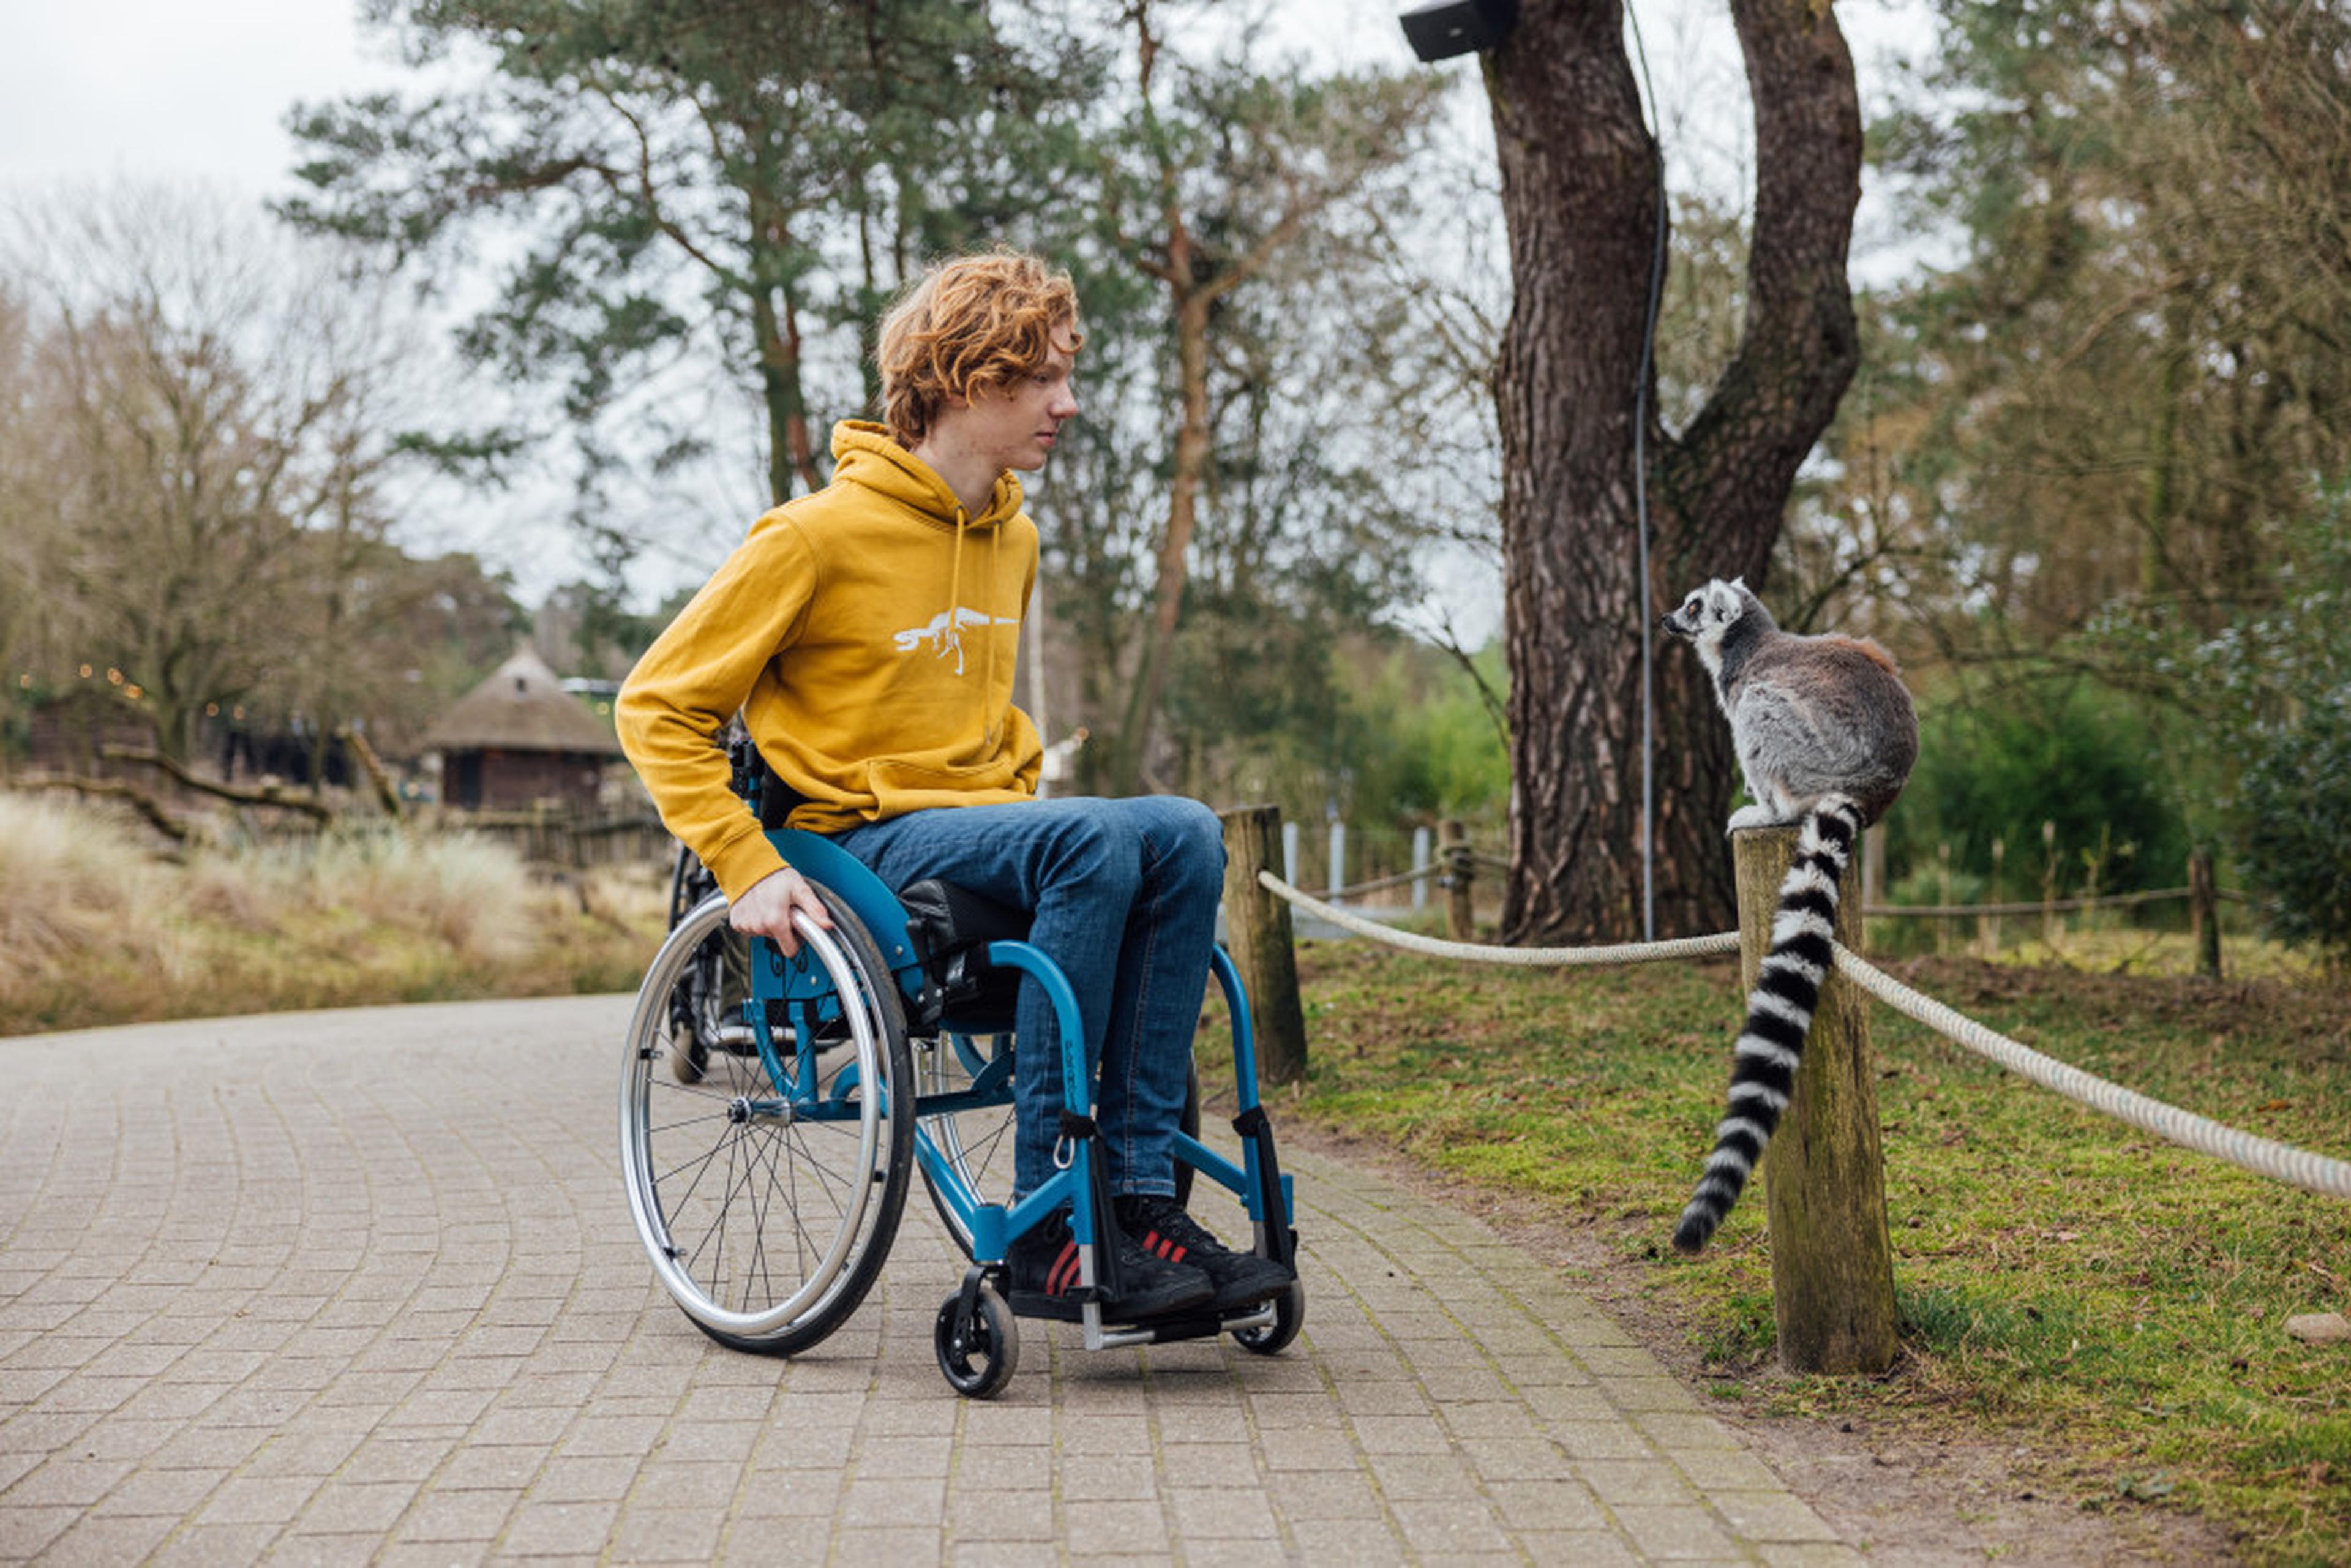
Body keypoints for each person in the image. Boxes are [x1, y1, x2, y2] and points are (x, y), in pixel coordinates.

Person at [616, 249, 1291, 1322]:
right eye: (1044, 382)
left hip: (984, 827)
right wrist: (744, 864)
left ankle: (1140, 1196)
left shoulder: (1013, 535)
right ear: (970, 382)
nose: (1069, 404)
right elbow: (655, 705)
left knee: (1185, 830)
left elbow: (976, 715)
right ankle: (1048, 1226)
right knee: (1096, 842)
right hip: (862, 841)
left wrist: (1017, 775)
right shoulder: (812, 536)